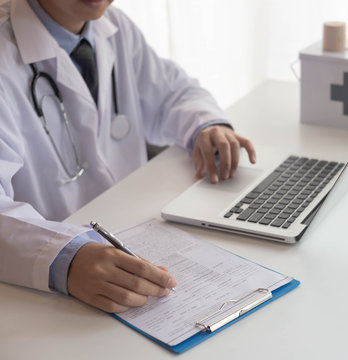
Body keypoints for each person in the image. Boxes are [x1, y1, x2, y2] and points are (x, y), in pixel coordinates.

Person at [0, 0, 256, 313]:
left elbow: (173, 92)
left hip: (132, 238)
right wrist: (64, 258)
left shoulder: (116, 28)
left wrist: (206, 124)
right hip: (42, 301)